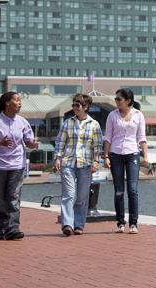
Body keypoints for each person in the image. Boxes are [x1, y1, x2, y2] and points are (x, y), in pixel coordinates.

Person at [0, 91, 37, 241]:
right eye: (17, 100)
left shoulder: (22, 121)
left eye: (20, 101)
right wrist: (0, 143)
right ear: (7, 103)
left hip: (17, 165)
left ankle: (13, 229)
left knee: (13, 197)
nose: (20, 103)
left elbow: (28, 141)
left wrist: (33, 144)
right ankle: (1, 229)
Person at [54, 93, 103, 236]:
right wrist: (57, 158)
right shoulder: (68, 122)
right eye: (73, 104)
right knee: (68, 194)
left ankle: (79, 225)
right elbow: (60, 142)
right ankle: (67, 225)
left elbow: (98, 146)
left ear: (85, 107)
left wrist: (96, 161)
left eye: (77, 105)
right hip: (68, 162)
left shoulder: (94, 124)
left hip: (86, 164)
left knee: (82, 197)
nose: (74, 107)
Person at [103, 88, 148, 234]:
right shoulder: (112, 115)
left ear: (128, 100)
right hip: (115, 154)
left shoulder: (138, 115)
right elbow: (108, 137)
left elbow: (142, 137)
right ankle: (120, 222)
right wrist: (106, 156)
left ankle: (133, 223)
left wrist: (146, 156)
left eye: (119, 99)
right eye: (115, 99)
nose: (116, 101)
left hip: (132, 154)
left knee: (133, 190)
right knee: (119, 191)